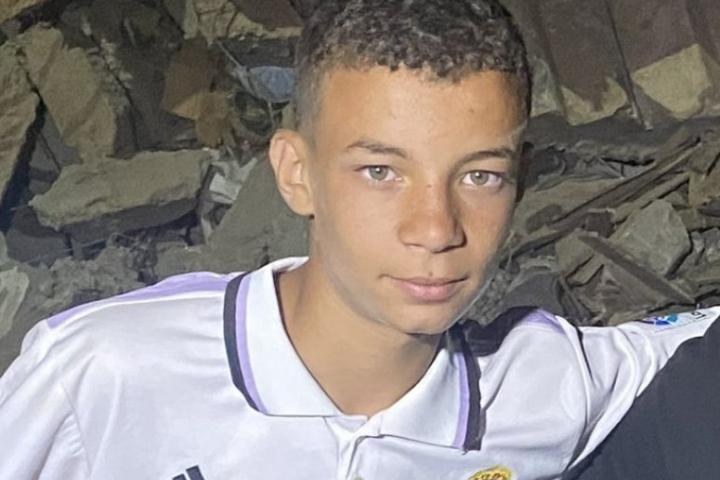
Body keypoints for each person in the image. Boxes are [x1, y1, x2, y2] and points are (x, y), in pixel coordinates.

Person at [0, 1, 718, 479]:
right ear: (296, 174)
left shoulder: (538, 383)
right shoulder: (102, 375)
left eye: (480, 176)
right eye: (381, 172)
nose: (435, 229)